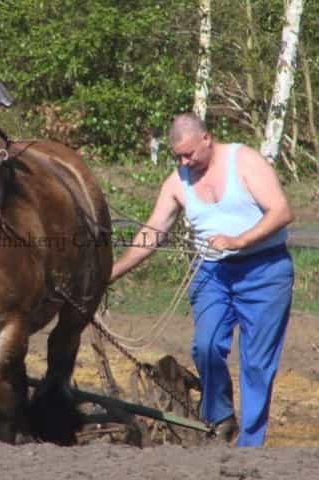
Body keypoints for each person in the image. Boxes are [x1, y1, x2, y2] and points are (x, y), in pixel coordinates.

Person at [110, 113, 294, 447]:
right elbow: (152, 233)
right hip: (212, 273)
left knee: (256, 363)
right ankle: (220, 413)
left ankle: (249, 446)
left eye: (189, 154)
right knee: (205, 345)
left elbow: (281, 211)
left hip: (265, 271)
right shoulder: (177, 181)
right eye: (178, 156)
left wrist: (239, 241)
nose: (184, 162)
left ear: (206, 139)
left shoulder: (245, 162)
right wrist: (111, 273)